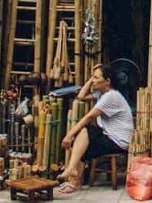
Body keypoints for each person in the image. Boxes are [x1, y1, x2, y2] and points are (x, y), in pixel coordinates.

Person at [57, 63, 134, 193]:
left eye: (96, 78)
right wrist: (91, 79)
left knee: (86, 132)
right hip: (111, 136)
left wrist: (69, 135)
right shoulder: (103, 94)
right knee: (83, 141)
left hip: (119, 142)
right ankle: (74, 179)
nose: (93, 81)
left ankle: (73, 174)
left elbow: (89, 117)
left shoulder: (111, 96)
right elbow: (80, 97)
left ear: (107, 81)